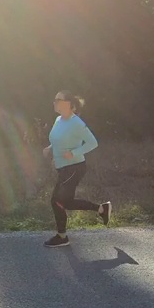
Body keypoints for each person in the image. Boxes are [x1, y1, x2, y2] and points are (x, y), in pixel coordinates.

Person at [41, 90, 110, 247]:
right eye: (55, 99)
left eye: (59, 99)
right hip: (63, 167)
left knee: (56, 200)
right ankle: (102, 209)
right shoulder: (59, 119)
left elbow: (93, 142)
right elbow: (59, 139)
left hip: (74, 167)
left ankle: (62, 236)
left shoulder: (77, 123)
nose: (55, 102)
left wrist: (74, 153)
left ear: (70, 104)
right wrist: (50, 148)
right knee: (67, 202)